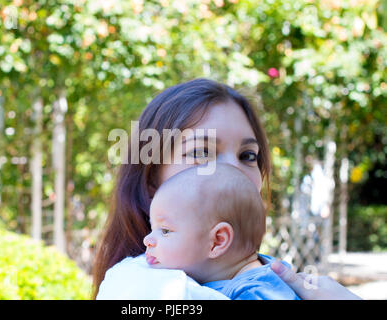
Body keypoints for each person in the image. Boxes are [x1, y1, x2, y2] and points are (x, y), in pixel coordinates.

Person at [92, 78, 361, 300]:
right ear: (151, 179)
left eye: (248, 156)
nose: (234, 170)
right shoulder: (140, 287)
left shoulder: (274, 281)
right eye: (201, 153)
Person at [143, 163, 300, 300]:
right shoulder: (238, 276)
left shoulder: (256, 292)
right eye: (152, 228)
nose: (147, 240)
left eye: (164, 231)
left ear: (217, 241)